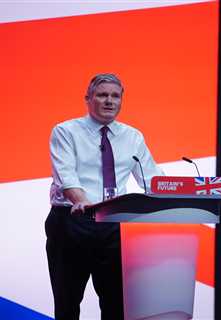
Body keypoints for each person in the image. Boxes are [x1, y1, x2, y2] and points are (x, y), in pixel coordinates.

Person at [46, 73, 163, 319]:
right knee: (67, 304)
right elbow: (66, 176)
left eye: (115, 96)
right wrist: (81, 201)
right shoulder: (65, 131)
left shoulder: (133, 136)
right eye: (102, 95)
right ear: (88, 99)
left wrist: (184, 191)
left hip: (114, 226)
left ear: (121, 101)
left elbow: (152, 179)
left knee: (116, 305)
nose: (109, 101)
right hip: (72, 222)